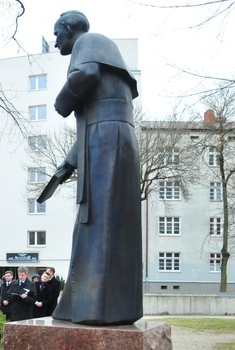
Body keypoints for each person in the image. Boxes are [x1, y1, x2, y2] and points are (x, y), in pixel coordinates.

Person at [50, 10, 142, 325]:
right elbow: (96, 116)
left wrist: (61, 104)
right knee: (100, 225)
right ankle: (92, 305)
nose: (55, 40)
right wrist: (69, 163)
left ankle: (94, 307)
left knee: (101, 224)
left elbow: (84, 77)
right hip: (108, 138)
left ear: (67, 28)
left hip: (107, 141)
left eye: (56, 33)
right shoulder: (103, 51)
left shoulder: (89, 42)